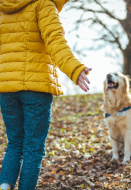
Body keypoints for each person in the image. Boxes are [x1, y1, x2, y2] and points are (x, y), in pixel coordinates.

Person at [0, 0, 91, 189]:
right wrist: (74, 69)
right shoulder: (43, 4)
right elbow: (55, 41)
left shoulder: (3, 7)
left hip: (6, 88)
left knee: (15, 143)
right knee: (33, 147)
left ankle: (4, 186)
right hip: (36, 87)